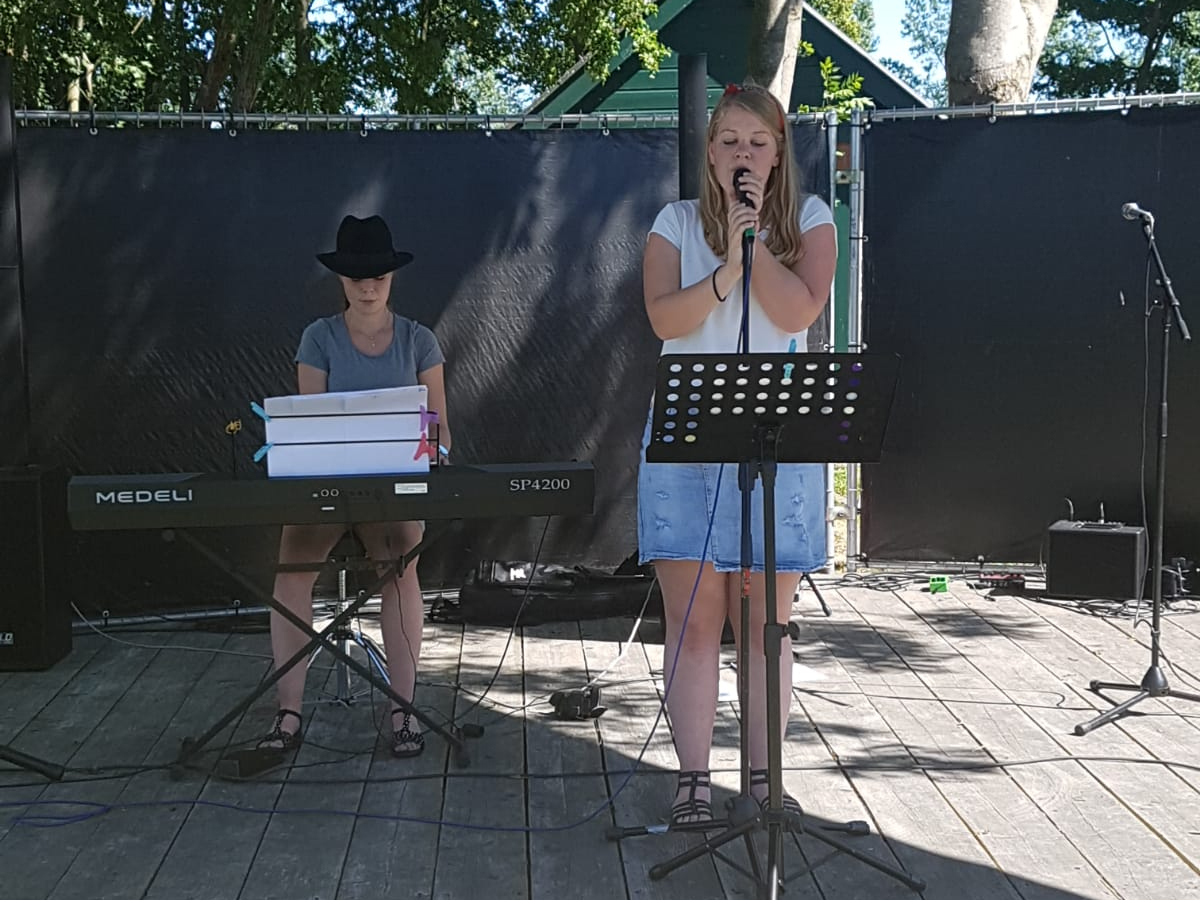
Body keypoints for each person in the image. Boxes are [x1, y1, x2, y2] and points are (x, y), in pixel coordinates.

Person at [638, 83, 837, 825]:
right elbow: (664, 314)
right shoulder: (673, 223)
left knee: (765, 621)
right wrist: (724, 263)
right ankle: (692, 779)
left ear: (780, 152)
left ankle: (761, 776)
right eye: (729, 141)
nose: (743, 154)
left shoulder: (812, 221)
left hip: (776, 442)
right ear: (710, 153)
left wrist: (753, 245)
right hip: (687, 438)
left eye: (758, 141)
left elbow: (796, 310)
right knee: (693, 618)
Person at [258, 213, 450, 758]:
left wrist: (429, 450)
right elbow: (311, 429)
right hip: (327, 489)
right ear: (341, 280)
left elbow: (438, 430)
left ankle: (403, 712)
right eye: (357, 277)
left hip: (391, 494)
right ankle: (287, 714)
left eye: (379, 276)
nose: (368, 286)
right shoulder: (317, 338)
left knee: (401, 560)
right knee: (291, 566)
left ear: (392, 277)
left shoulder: (420, 341)